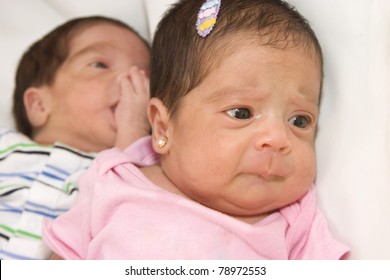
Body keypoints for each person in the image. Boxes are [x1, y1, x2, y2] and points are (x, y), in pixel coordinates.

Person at [43, 0, 350, 259]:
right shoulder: (114, 181)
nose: (278, 138)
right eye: (241, 113)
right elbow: (63, 256)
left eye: (299, 120)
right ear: (164, 126)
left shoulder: (294, 221)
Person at [0, 16, 151, 260]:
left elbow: (125, 211)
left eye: (146, 78)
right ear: (39, 105)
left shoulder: (136, 170)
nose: (130, 80)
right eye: (100, 65)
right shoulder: (7, 147)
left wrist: (133, 133)